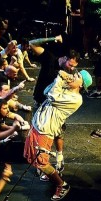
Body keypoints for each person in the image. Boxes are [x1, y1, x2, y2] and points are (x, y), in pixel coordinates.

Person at [24, 69, 92, 201]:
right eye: (75, 74)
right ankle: (48, 173)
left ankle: (62, 184)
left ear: (81, 85)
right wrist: (59, 79)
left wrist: (60, 79)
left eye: (77, 76)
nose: (72, 76)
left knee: (41, 162)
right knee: (34, 156)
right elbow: (46, 91)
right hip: (38, 124)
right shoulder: (65, 88)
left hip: (45, 131)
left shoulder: (76, 99)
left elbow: (52, 96)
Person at [29, 35, 80, 174]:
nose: (72, 68)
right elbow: (32, 43)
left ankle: (59, 157)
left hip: (55, 108)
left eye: (74, 66)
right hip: (40, 103)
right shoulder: (49, 59)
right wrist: (52, 39)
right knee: (39, 134)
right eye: (71, 64)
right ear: (64, 58)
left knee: (59, 133)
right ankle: (41, 161)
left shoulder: (70, 72)